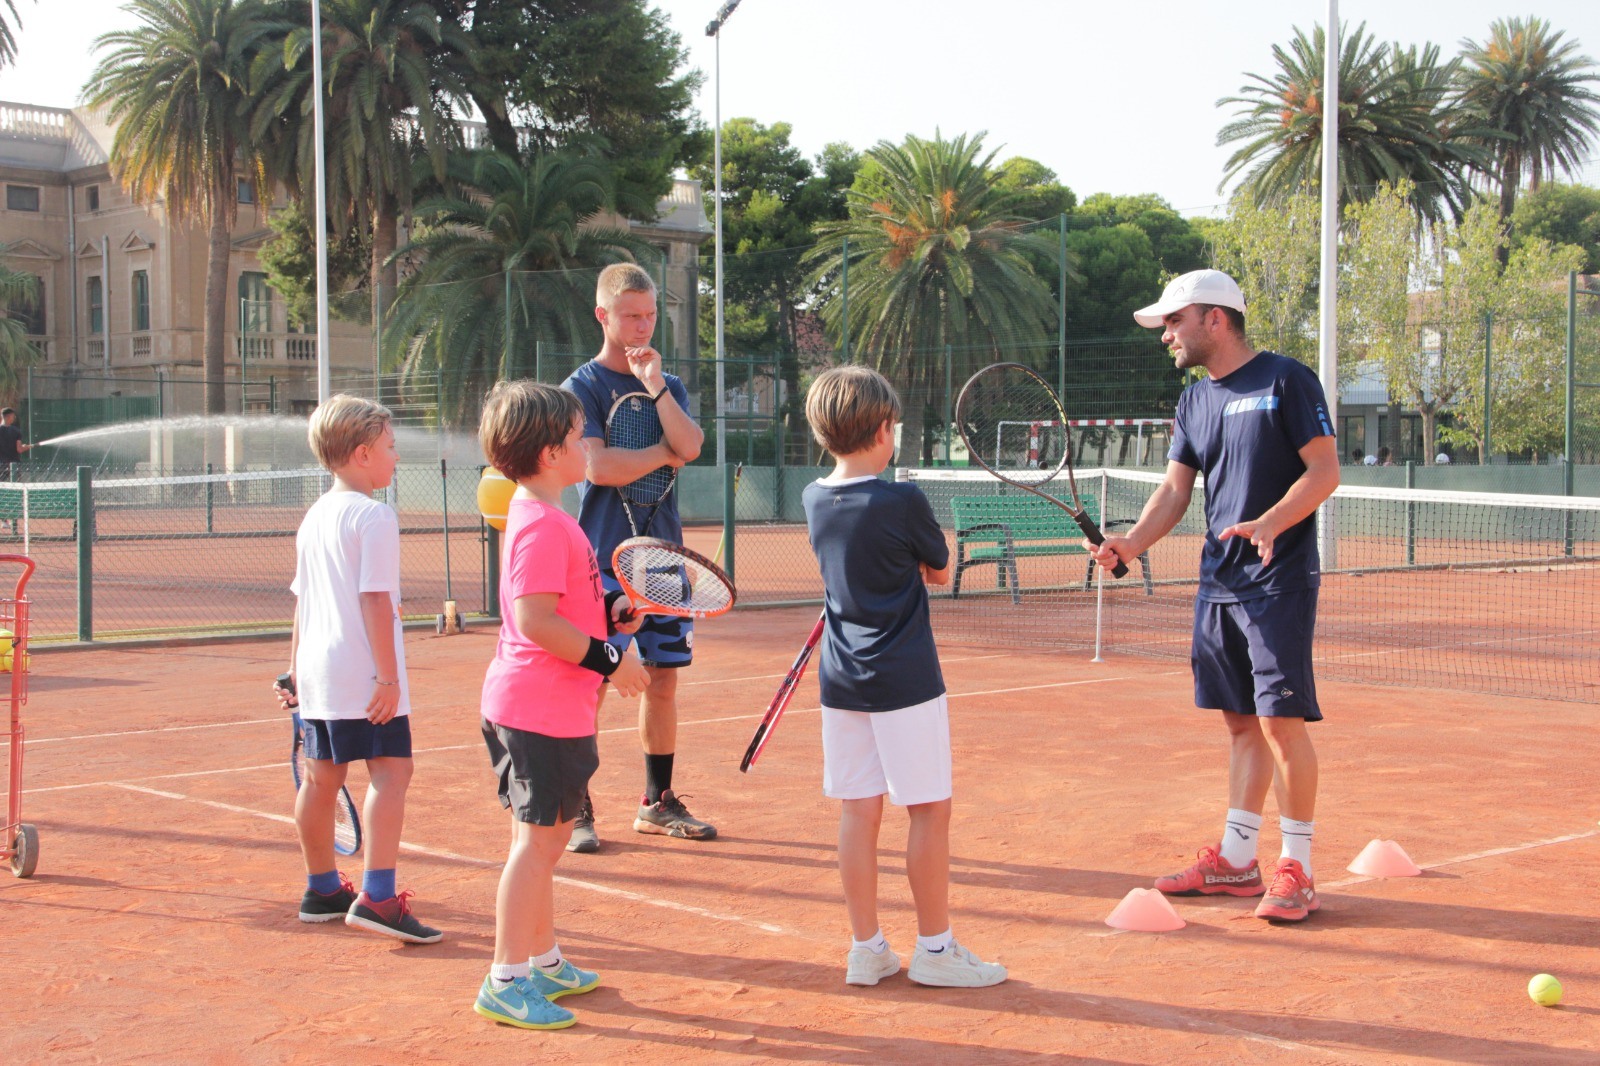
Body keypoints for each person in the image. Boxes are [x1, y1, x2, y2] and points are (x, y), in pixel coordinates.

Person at [1087, 270, 1340, 923]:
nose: (1167, 334)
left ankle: (1300, 869)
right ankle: (1235, 860)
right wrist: (1132, 544)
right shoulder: (1195, 402)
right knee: (1239, 721)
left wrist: (1272, 521)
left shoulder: (1287, 380)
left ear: (1215, 319)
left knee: (1280, 722)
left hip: (1276, 579)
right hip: (1218, 583)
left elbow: (1324, 469)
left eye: (1175, 321)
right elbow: (1174, 492)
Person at [802, 365, 1008, 988]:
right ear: (883, 431)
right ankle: (936, 951)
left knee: (858, 811)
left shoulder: (813, 498)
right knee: (929, 810)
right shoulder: (902, 498)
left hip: (842, 679)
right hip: (905, 677)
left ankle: (866, 948)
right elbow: (940, 570)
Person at [472, 380, 650, 1030]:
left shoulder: (547, 518)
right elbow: (536, 621)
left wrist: (609, 612)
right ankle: (506, 978)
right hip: (538, 712)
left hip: (542, 709)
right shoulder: (543, 524)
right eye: (578, 437)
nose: (586, 446)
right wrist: (611, 660)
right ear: (550, 454)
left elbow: (565, 606)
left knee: (539, 841)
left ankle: (542, 959)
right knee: (538, 846)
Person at [278, 394, 441, 943]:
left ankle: (322, 888)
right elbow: (375, 600)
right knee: (392, 773)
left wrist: (294, 670)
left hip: (319, 671)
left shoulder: (314, 516)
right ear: (364, 453)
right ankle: (377, 896)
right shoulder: (374, 516)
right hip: (361, 671)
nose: (397, 458)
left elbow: (301, 602)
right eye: (391, 448)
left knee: (323, 778)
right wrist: (388, 679)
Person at [560, 263, 712, 852]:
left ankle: (656, 802)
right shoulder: (584, 387)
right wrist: (664, 453)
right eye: (631, 315)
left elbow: (693, 446)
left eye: (650, 314)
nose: (643, 324)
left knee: (664, 683)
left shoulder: (667, 383)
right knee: (592, 684)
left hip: (663, 559)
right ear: (603, 316)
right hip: (601, 562)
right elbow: (599, 467)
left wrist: (654, 390)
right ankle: (576, 805)